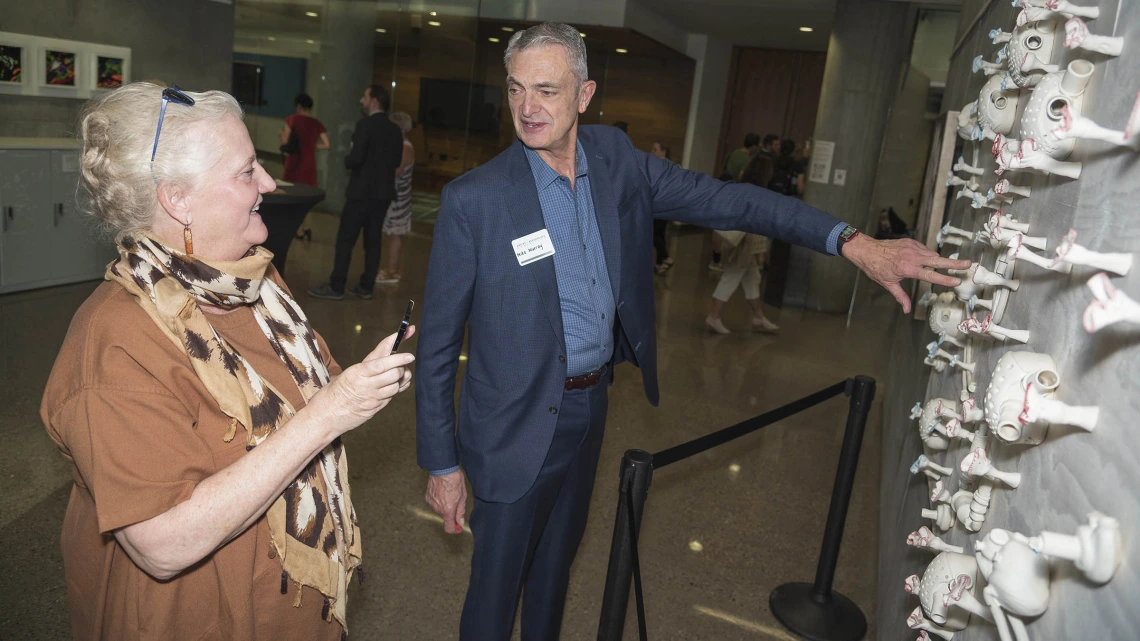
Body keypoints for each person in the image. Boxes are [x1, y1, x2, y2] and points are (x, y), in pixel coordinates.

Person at [415, 22, 967, 641]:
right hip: (508, 426)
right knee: (493, 600)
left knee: (554, 575)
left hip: (588, 407)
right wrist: (442, 465)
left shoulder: (618, 163)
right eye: (516, 89)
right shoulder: (477, 199)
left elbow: (735, 202)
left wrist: (852, 243)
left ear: (585, 94)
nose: (526, 108)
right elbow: (436, 346)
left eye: (546, 90)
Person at [41, 82, 415, 641]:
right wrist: (332, 412)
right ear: (177, 199)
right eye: (246, 171)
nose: (267, 183)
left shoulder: (251, 283)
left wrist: (355, 384)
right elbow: (162, 545)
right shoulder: (115, 342)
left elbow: (307, 387)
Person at [308, 84, 403, 301]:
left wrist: (346, 158)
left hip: (361, 193)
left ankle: (337, 286)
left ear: (375, 101)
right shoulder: (395, 130)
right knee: (373, 241)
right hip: (382, 195)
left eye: (365, 96)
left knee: (346, 239)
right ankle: (366, 286)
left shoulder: (364, 125)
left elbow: (356, 158)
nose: (361, 100)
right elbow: (396, 161)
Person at [706, 154, 779, 334]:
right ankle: (713, 317)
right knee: (731, 278)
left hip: (746, 245)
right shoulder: (759, 193)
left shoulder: (742, 187)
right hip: (744, 245)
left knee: (752, 280)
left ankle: (758, 316)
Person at [279, 92, 330, 240]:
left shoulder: (292, 120)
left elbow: (285, 143)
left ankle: (298, 229)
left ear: (299, 106)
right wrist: (313, 147)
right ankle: (305, 227)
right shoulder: (316, 124)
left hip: (294, 163)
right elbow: (327, 144)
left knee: (291, 195)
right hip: (309, 163)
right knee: (304, 197)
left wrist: (281, 134)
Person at [376, 112, 415, 284]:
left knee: (395, 233)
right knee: (392, 233)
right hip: (397, 195)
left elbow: (396, 171)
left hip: (399, 197)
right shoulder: (400, 144)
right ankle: (391, 268)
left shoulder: (405, 147)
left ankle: (393, 271)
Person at [650, 141, 674, 275]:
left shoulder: (661, 166)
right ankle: (660, 264)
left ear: (663, 151)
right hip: (666, 205)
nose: (652, 152)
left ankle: (666, 257)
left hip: (659, 204)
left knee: (653, 234)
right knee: (660, 234)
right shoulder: (669, 165)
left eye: (655, 150)